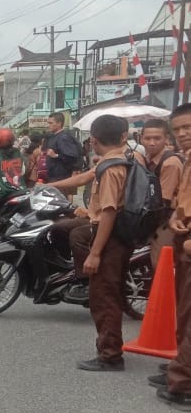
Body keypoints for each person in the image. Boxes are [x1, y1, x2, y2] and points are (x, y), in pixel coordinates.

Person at [70, 114, 137, 371]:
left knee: (104, 298)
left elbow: (108, 211)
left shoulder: (110, 169)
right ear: (123, 137)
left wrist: (95, 253)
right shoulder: (128, 159)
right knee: (110, 293)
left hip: (110, 238)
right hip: (122, 236)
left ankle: (109, 355)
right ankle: (110, 351)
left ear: (94, 141)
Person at [154, 103, 191, 407]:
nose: (182, 134)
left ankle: (184, 384)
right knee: (184, 311)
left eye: (187, 128)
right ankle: (179, 368)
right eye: (177, 130)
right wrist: (178, 219)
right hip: (183, 237)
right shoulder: (186, 159)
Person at [140, 118, 183, 266]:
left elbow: (162, 201)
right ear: (141, 139)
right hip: (154, 214)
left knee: (161, 262)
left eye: (157, 138)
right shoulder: (146, 159)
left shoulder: (170, 162)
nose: (152, 143)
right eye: (147, 138)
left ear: (166, 139)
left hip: (168, 217)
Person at [44, 112, 84, 182]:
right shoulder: (53, 136)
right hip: (54, 177)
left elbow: (72, 157)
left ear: (59, 124)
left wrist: (56, 155)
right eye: (48, 123)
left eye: (51, 123)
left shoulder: (64, 137)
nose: (48, 125)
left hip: (63, 178)